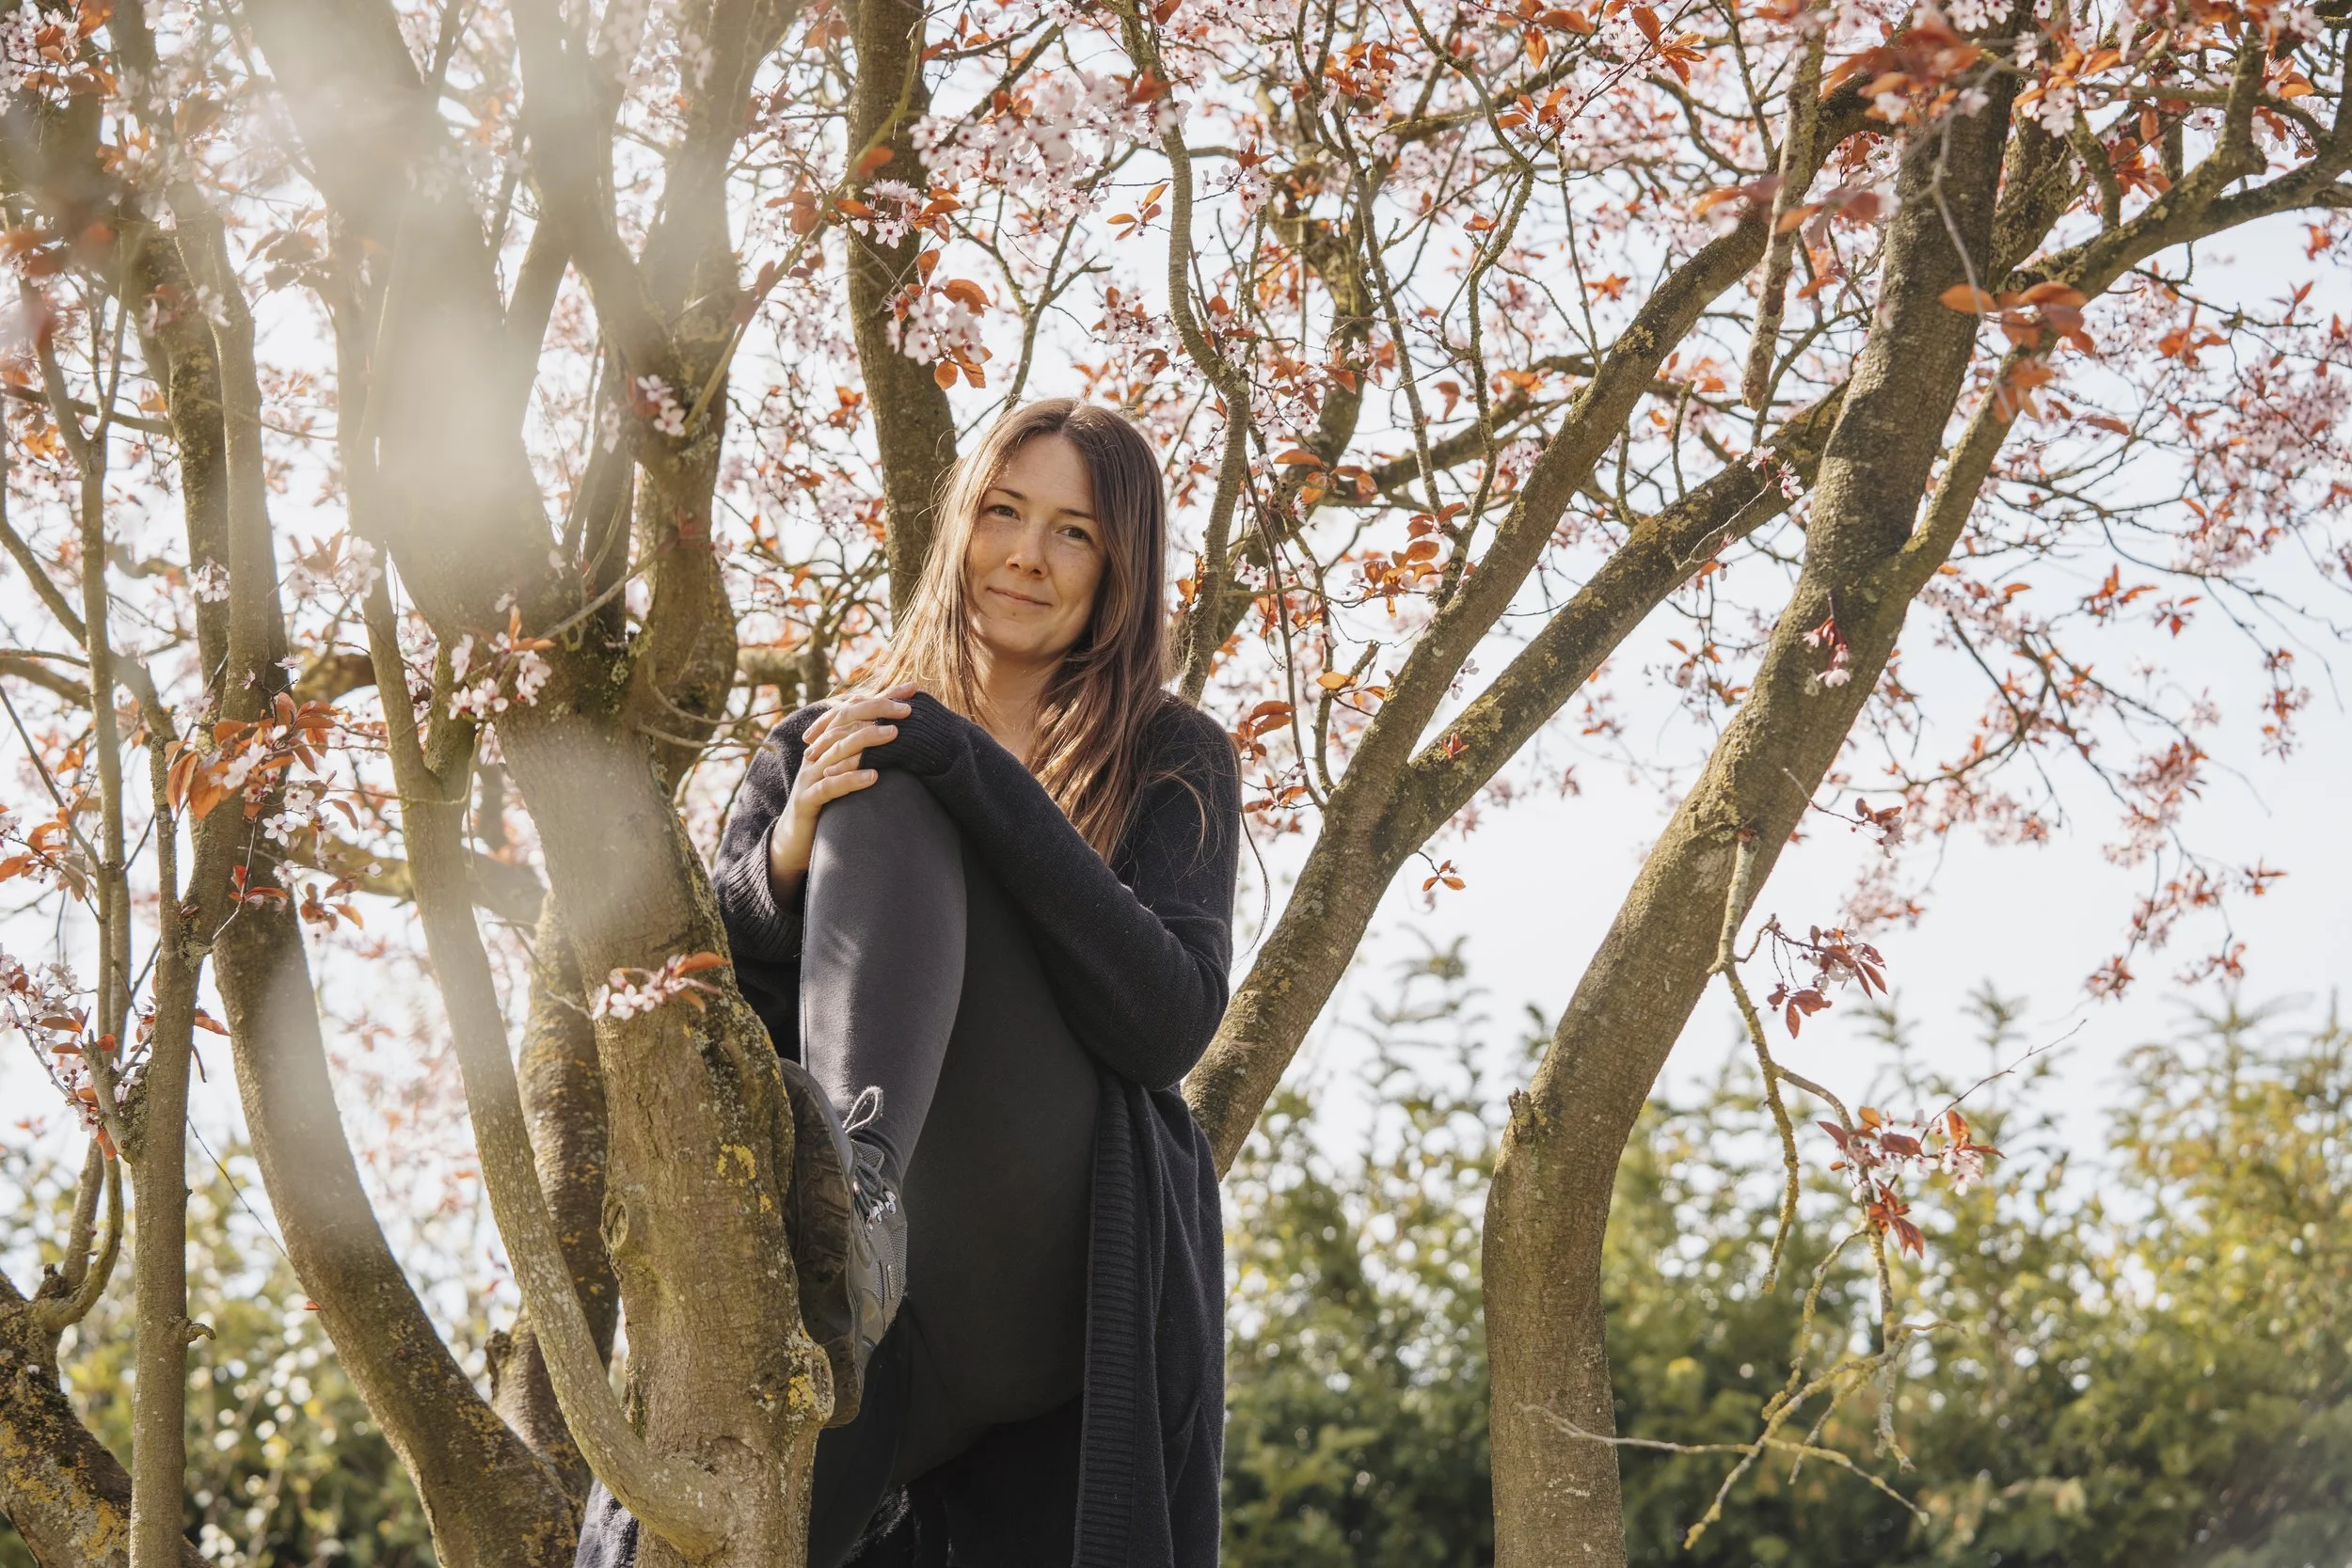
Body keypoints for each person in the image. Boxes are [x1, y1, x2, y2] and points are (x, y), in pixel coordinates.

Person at [573, 400, 1242, 1568]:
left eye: (1075, 532)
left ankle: (856, 1192)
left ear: (1122, 567)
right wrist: (787, 850)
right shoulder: (818, 744)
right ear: (959, 526)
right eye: (1002, 511)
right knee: (719, 1525)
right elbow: (688, 1004)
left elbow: (1168, 1020)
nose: (1026, 554)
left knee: (893, 763)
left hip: (1040, 1258)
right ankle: (846, 1223)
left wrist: (963, 761)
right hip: (866, 1327)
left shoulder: (1168, 754)